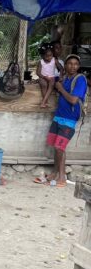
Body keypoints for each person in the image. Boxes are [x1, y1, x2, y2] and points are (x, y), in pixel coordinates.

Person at [34, 53, 87, 188]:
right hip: (58, 116)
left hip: (69, 119)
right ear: (65, 65)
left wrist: (60, 88)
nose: (73, 66)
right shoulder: (64, 78)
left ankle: (61, 177)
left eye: (75, 64)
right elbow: (49, 79)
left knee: (59, 147)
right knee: (58, 148)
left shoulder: (80, 79)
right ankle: (54, 174)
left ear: (79, 66)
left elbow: (73, 100)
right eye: (70, 63)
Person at [36, 42, 59, 107]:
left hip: (51, 77)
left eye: (51, 55)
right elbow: (38, 72)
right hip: (43, 77)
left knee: (52, 83)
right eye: (47, 56)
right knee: (44, 84)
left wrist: (61, 75)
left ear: (53, 54)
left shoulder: (54, 60)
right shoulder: (41, 62)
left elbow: (61, 68)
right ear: (42, 55)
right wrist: (44, 77)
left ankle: (44, 101)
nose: (49, 58)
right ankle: (45, 101)